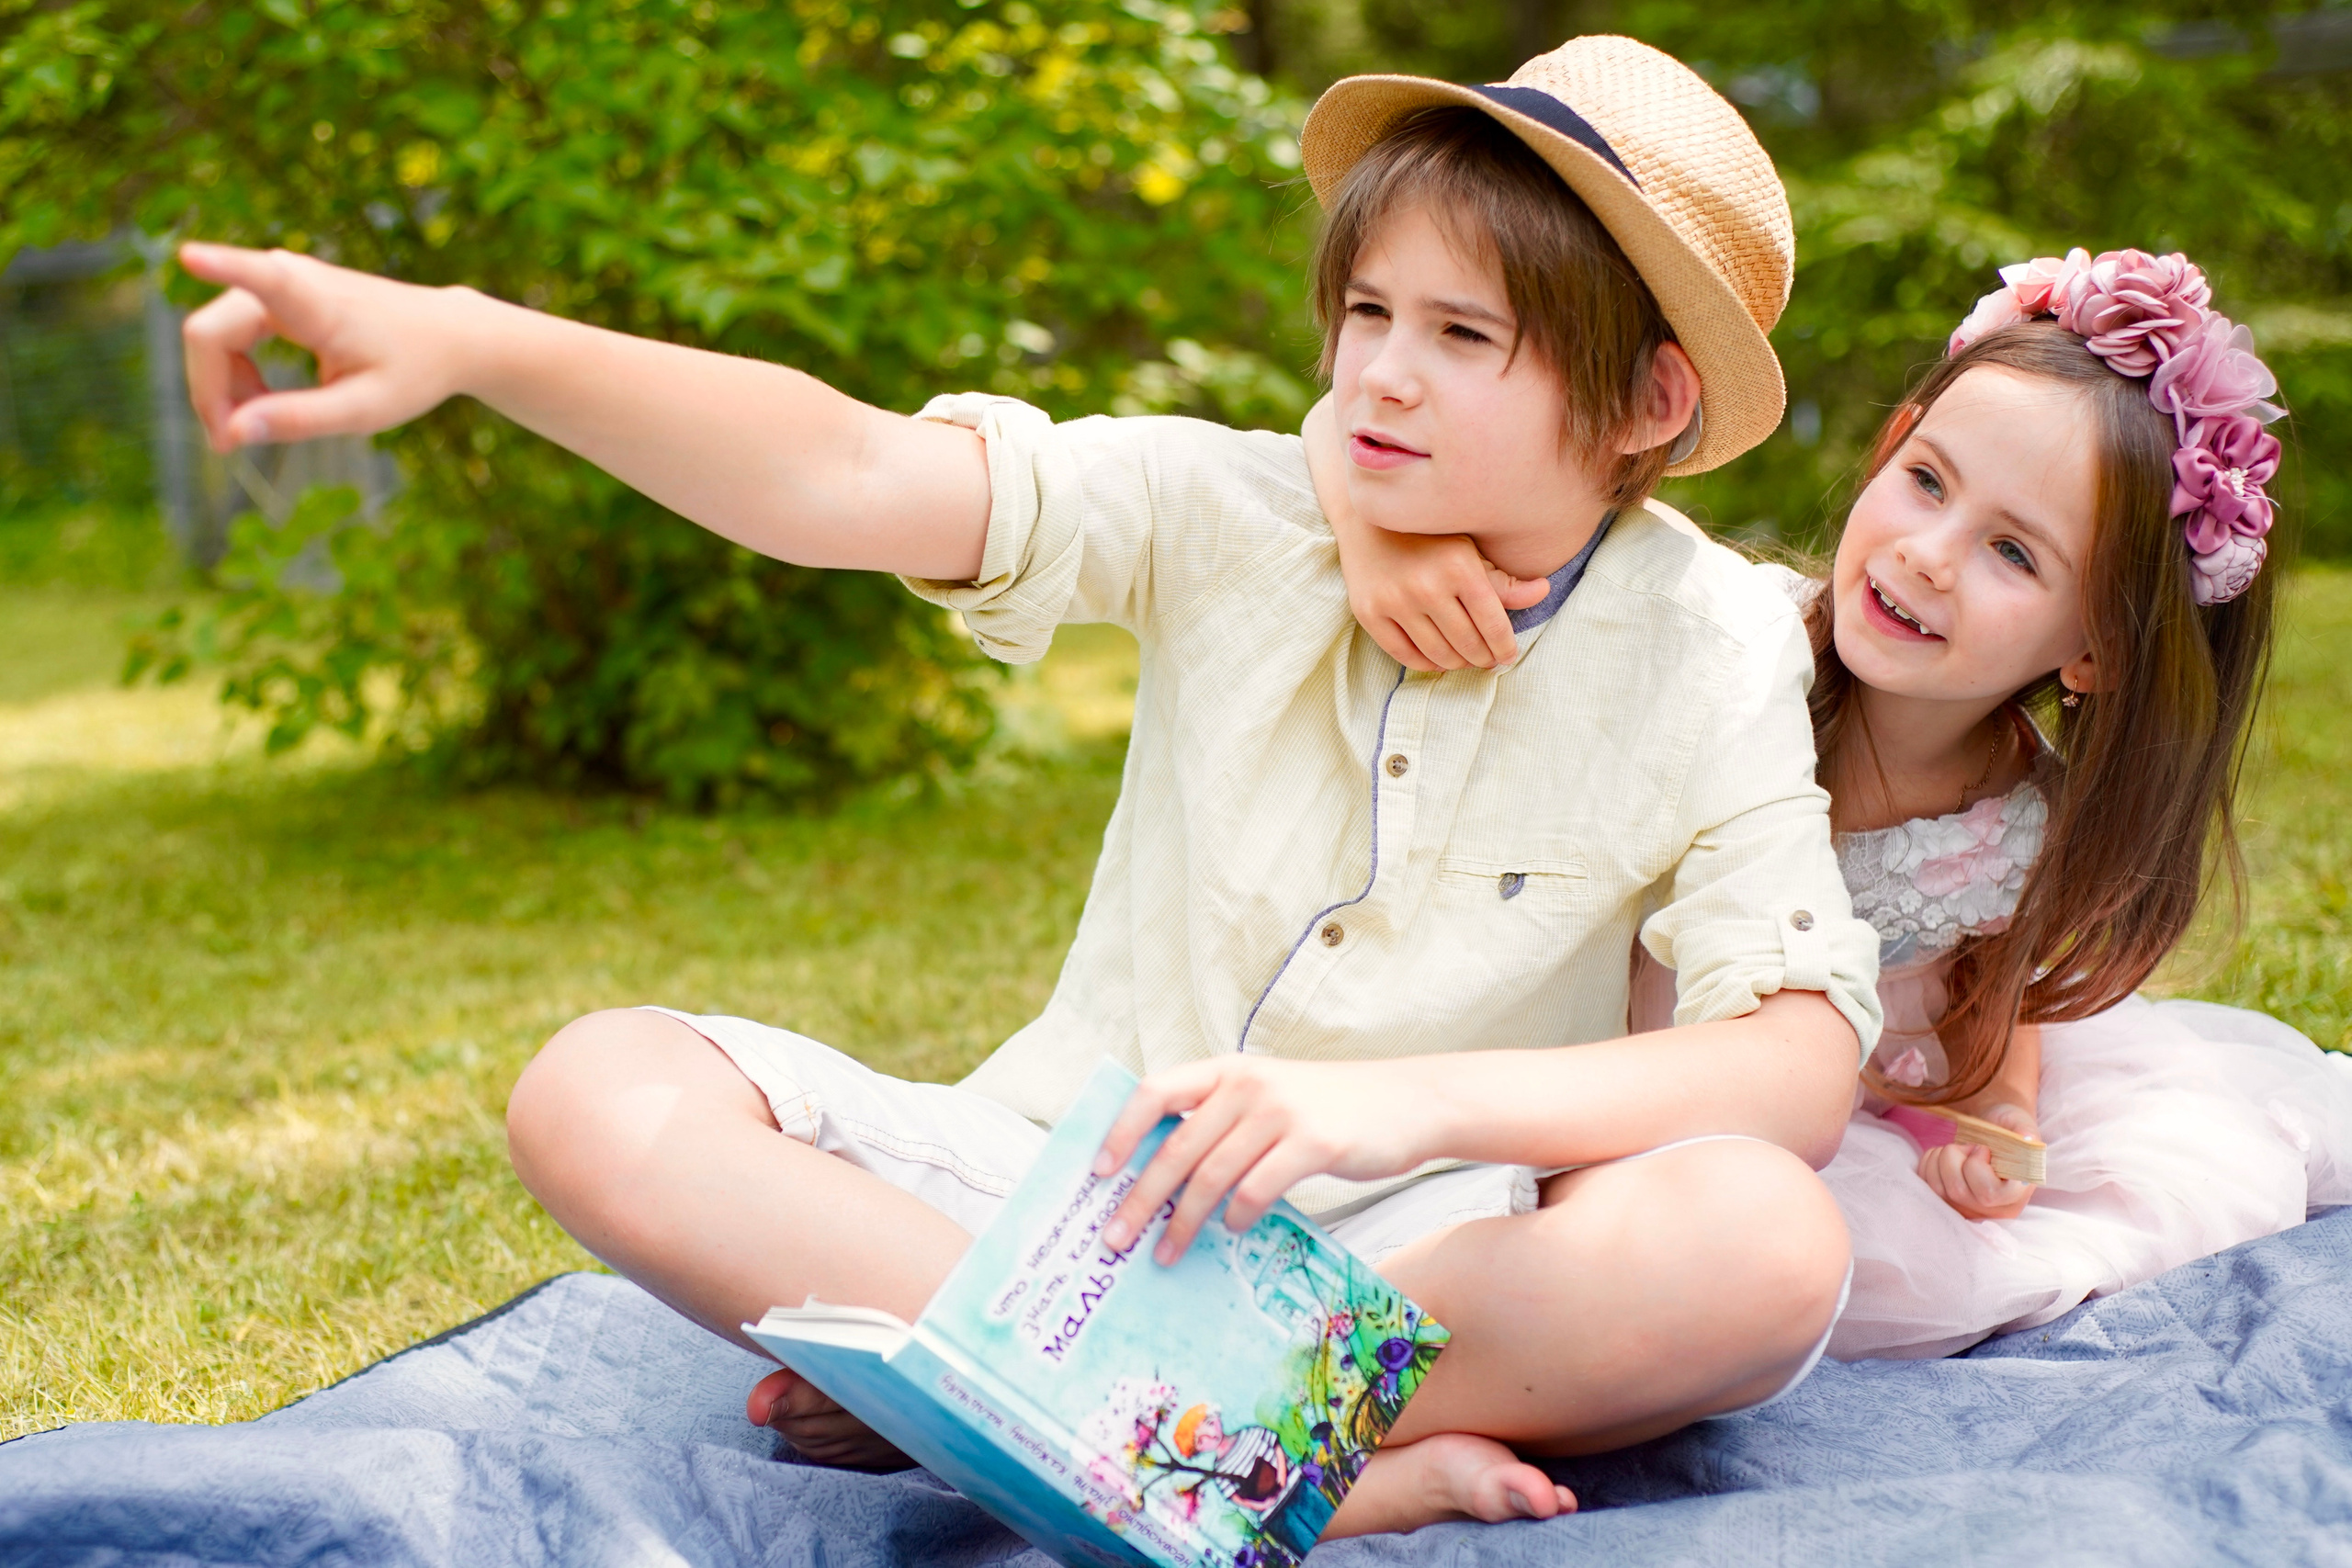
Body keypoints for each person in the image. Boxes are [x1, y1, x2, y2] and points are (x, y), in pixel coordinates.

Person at [175, 37, 1882, 1534]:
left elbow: (1794, 1060)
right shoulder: (1237, 511)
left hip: (1406, 1262)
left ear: (1650, 397)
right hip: (1048, 1194)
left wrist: (1400, 1109)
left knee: (1766, 1242)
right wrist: (478, 339)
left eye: (1463, 332)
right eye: (1366, 311)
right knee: (596, 1086)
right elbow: (852, 469)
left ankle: (1029, 1408)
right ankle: (1248, 1459)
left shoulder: (1719, 639)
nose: (1376, 373)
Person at [1322, 244, 2352, 1361]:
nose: (1927, 555)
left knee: (2106, 1186)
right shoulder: (1721, 636)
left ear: (2097, 648)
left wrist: (1999, 1115)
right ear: (1888, 444)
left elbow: (1987, 995)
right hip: (1578, 1059)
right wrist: (1375, 541)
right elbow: (1343, 428)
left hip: (1798, 1120)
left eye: (2013, 551)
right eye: (1925, 480)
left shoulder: (2013, 821)